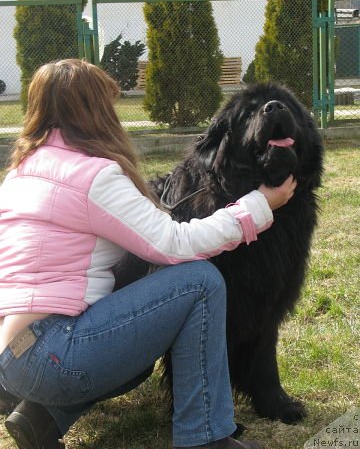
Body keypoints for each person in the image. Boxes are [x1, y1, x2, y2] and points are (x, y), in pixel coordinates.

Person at [0, 59, 297, 449]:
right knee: (200, 281)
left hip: (14, 356)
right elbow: (174, 245)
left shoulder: (23, 170)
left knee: (138, 351)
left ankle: (40, 418)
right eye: (109, 105)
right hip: (56, 354)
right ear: (92, 111)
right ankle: (205, 436)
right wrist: (258, 205)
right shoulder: (93, 176)